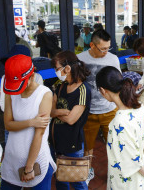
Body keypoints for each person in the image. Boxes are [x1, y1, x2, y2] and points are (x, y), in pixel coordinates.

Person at [96, 66, 144, 189]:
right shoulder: (139, 107)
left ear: (103, 91)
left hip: (126, 182)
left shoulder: (119, 122)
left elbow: (128, 155)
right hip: (141, 176)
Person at [1, 54, 56, 189]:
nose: (16, 90)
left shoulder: (44, 94)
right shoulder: (10, 89)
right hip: (11, 160)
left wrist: (29, 167)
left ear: (31, 76)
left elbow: (39, 134)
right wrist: (31, 122)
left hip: (36, 162)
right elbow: (8, 124)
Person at [77, 29, 121, 184]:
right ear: (92, 45)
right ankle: (88, 171)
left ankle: (113, 173)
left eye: (108, 48)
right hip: (87, 112)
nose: (106, 52)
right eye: (103, 49)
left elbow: (118, 84)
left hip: (110, 111)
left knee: (114, 145)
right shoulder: (79, 59)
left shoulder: (113, 59)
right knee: (87, 147)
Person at [50, 51, 91, 189]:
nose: (56, 72)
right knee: (60, 177)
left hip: (73, 143)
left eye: (57, 69)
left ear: (67, 69)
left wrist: (55, 113)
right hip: (56, 141)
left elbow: (71, 120)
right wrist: (60, 111)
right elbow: (50, 111)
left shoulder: (83, 89)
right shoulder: (60, 86)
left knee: (77, 180)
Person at [0, 45, 43, 145]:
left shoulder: (37, 78)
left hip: (31, 128)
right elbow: (3, 104)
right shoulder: (5, 79)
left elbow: (40, 105)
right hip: (13, 126)